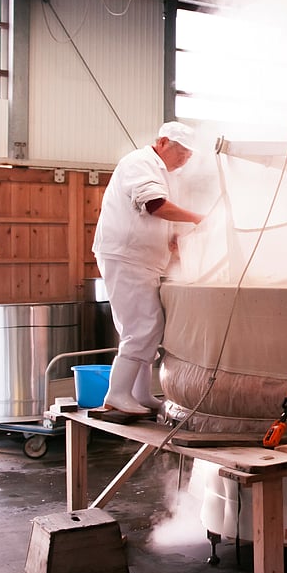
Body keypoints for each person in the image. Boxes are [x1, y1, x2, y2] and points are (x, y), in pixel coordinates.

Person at [93, 121, 204, 415]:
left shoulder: (164, 173)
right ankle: (117, 394)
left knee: (150, 326)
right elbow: (154, 205)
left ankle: (140, 395)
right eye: (181, 152)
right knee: (140, 327)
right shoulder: (139, 163)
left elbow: (157, 216)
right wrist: (198, 219)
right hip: (126, 256)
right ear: (163, 142)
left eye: (189, 155)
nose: (184, 160)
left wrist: (173, 239)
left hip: (144, 259)